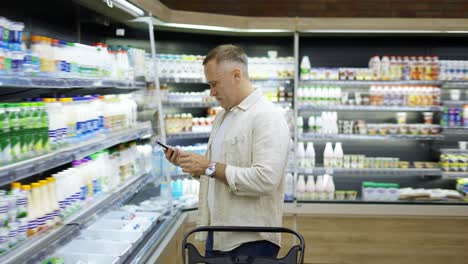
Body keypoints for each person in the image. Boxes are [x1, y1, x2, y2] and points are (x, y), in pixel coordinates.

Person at [164, 44, 290, 259]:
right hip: (218, 233)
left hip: (251, 240)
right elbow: (218, 172)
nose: (212, 92)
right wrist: (192, 164)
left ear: (236, 75)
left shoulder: (266, 116)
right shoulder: (223, 117)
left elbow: (265, 179)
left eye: (214, 84)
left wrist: (208, 167)